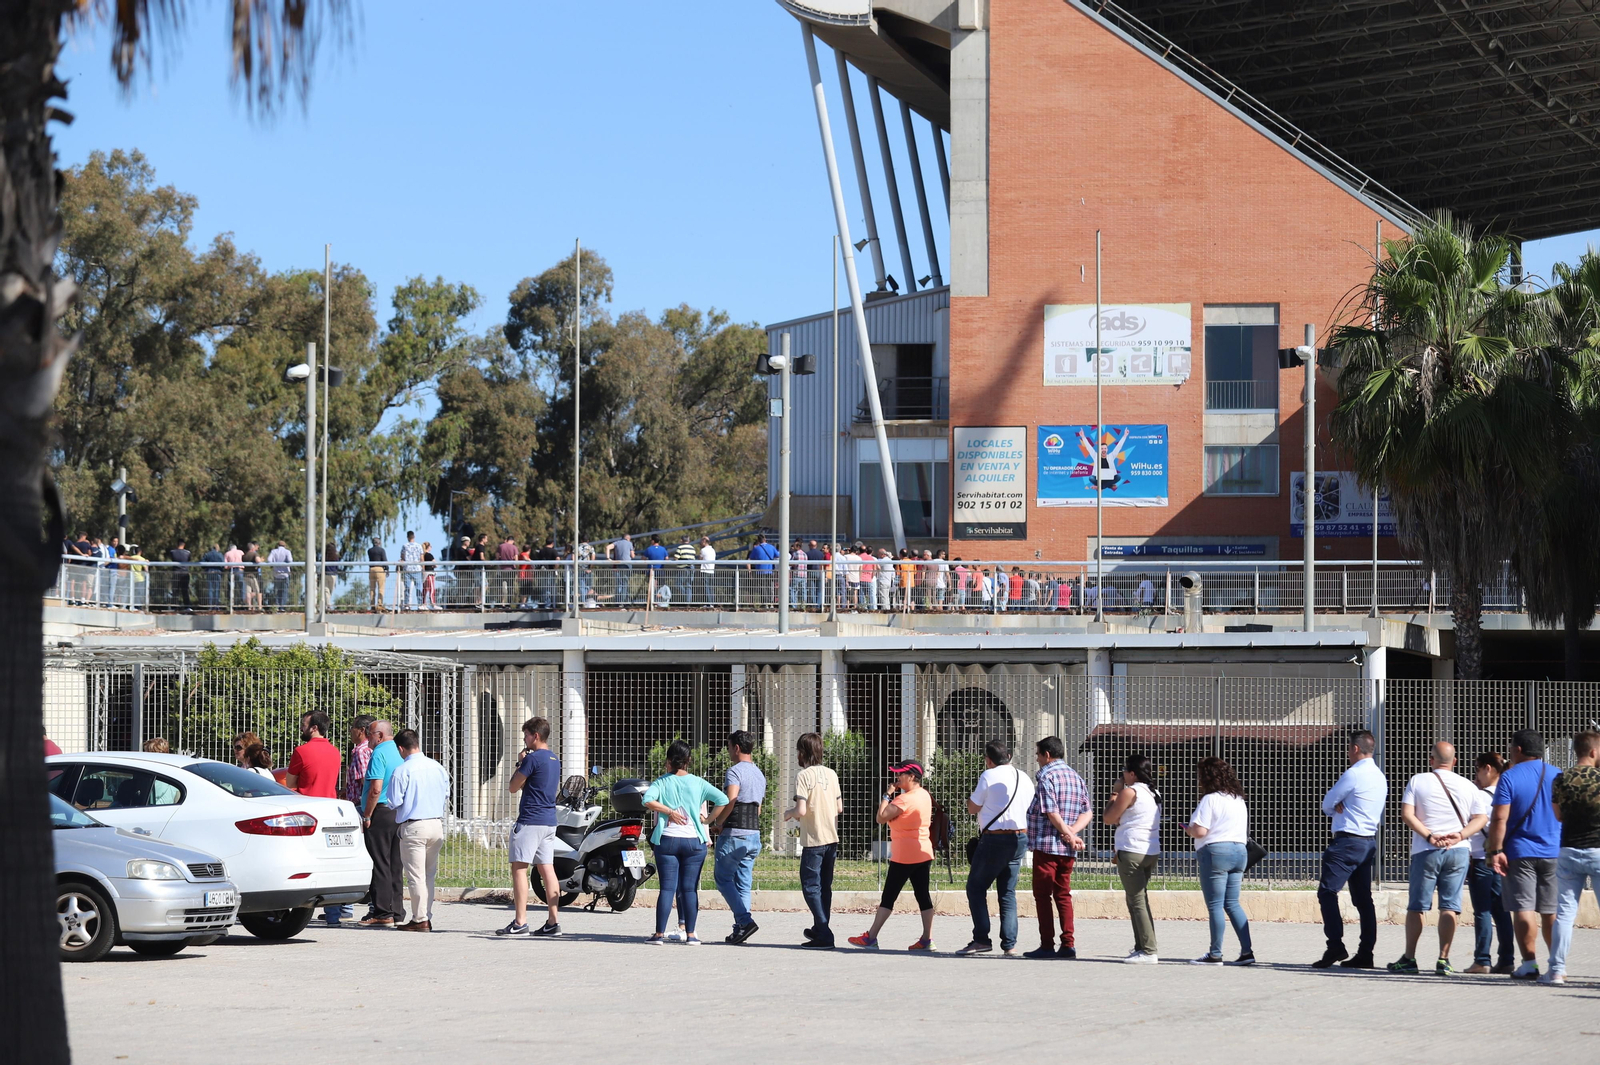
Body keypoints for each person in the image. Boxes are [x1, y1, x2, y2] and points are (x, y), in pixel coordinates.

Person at [1387, 741, 1484, 975]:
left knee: (1417, 907)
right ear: (1455, 761)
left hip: (1426, 851)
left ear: (1431, 760)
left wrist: (1429, 836)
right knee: (1450, 906)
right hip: (1458, 851)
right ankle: (1444, 959)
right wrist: (1460, 835)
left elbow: (1407, 815)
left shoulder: (1418, 780)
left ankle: (1409, 958)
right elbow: (1481, 818)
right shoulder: (1468, 785)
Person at [1487, 728, 1562, 980]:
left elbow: (1500, 817)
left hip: (1519, 852)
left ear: (1518, 749)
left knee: (1523, 907)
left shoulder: (1509, 777)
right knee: (1551, 910)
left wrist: (1496, 850)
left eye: (1511, 747)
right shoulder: (1558, 774)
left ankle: (1529, 963)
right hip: (1554, 850)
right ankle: (1556, 966)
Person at [642, 738, 730, 945]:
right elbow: (723, 800)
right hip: (694, 841)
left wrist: (669, 811)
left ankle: (659, 934)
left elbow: (647, 800)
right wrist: (708, 820)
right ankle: (691, 935)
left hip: (668, 839)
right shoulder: (698, 782)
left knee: (667, 889)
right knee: (689, 889)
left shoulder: (661, 782)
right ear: (688, 760)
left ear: (668, 760)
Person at [1312, 728, 1387, 969]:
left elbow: (1326, 804)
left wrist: (1337, 805)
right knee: (1364, 900)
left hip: (1347, 842)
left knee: (1327, 892)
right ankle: (1366, 953)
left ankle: (1335, 945)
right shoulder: (1379, 776)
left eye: (1348, 748)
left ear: (1355, 748)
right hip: (1368, 842)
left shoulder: (1353, 774)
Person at [849, 760, 936, 951]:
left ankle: (871, 938)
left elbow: (880, 817)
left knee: (889, 896)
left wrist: (887, 795)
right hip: (923, 851)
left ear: (911, 776)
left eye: (900, 774)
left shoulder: (904, 799)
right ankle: (927, 940)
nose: (897, 777)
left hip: (905, 855)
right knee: (923, 895)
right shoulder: (924, 794)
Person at [959, 739, 1035, 956]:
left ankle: (981, 939)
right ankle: (1009, 944)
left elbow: (973, 808)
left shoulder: (988, 776)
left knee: (975, 887)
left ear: (988, 760)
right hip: (1020, 837)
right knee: (1007, 892)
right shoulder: (1024, 776)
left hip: (995, 839)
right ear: (1008, 756)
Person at [1024, 736, 1091, 959]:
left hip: (1047, 844)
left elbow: (1051, 811)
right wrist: (1072, 833)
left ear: (1047, 755)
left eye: (1038, 754)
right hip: (1067, 849)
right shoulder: (1075, 776)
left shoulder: (1047, 776)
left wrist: (1067, 833)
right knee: (1063, 894)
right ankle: (1068, 944)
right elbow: (1087, 812)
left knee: (1043, 895)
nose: (1037, 759)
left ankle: (1046, 945)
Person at [498, 717, 564, 938]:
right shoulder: (554, 759)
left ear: (535, 735)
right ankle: (553, 922)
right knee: (547, 869)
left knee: (519, 868)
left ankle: (520, 922)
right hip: (549, 821)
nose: (524, 739)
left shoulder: (532, 759)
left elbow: (513, 787)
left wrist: (520, 763)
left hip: (530, 820)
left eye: (526, 735)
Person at [1185, 756, 1253, 965]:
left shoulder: (1210, 799)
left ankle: (1215, 954)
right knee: (1232, 903)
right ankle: (1247, 952)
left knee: (1215, 904)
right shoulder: (1238, 800)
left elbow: (1200, 831)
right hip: (1239, 851)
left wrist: (1188, 829)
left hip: (1215, 852)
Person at [1547, 730, 1600, 985]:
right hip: (1598, 850)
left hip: (1568, 849)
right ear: (1593, 751)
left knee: (1565, 913)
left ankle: (1556, 971)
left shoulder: (1561, 779)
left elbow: (1558, 816)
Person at [388, 728, 450, 932]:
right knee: (429, 874)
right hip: (436, 824)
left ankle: (420, 918)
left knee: (415, 876)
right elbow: (446, 795)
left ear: (400, 748)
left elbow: (394, 801)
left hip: (414, 826)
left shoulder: (402, 770)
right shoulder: (438, 767)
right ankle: (426, 915)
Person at [784, 731, 842, 948]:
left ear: (803, 752)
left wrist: (788, 813)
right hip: (831, 838)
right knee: (825, 887)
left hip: (814, 839)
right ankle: (819, 929)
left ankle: (824, 933)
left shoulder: (803, 776)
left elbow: (800, 810)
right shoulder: (832, 774)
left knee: (810, 886)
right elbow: (839, 807)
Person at [1105, 752, 1162, 963]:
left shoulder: (1130, 792)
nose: (1122, 775)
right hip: (1150, 850)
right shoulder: (1153, 792)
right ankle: (1141, 947)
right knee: (1137, 899)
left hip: (1132, 850)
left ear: (1132, 773)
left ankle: (1148, 950)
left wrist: (1114, 792)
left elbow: (1108, 818)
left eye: (1124, 771)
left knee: (1137, 901)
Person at [710, 730, 766, 944]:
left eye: (728, 747)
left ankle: (744, 921)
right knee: (743, 883)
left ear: (736, 748)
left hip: (735, 834)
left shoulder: (734, 771)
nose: (728, 751)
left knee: (723, 879)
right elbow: (758, 809)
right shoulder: (759, 774)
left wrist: (719, 822)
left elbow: (731, 799)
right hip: (753, 834)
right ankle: (740, 928)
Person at [1465, 751, 1515, 974]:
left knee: (1482, 911)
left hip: (1480, 857)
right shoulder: (1508, 795)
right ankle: (1507, 959)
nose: (1475, 775)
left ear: (1488, 769)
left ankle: (1482, 959)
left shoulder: (1479, 796)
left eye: (1477, 769)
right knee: (1502, 910)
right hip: (1503, 857)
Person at [325, 714, 375, 927]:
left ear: (361, 730)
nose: (350, 732)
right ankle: (348, 908)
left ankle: (357, 907)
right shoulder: (367, 750)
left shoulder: (362, 752)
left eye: (352, 727)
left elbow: (365, 782)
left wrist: (364, 809)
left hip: (360, 808)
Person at [359, 720, 406, 927]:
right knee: (395, 864)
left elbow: (376, 788)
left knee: (379, 863)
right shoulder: (400, 752)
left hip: (380, 812)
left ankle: (382, 912)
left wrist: (367, 815)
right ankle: (397, 911)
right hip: (398, 812)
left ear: (379, 735)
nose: (367, 738)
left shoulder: (378, 753)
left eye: (369, 734)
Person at [285, 711, 341, 797]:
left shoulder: (301, 751)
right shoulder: (335, 752)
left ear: (314, 728)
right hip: (330, 802)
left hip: (307, 802)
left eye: (304, 725)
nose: (301, 728)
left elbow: (290, 783)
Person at [746, 534, 779, 607]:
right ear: (765, 539)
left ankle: (764, 603)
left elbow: (750, 559)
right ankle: (770, 603)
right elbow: (778, 555)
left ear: (758, 541)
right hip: (770, 571)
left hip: (760, 571)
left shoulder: (756, 549)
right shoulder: (771, 547)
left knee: (762, 587)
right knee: (769, 586)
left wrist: (750, 571)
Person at [399, 531, 423, 610]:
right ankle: (420, 604)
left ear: (407, 537)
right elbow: (421, 558)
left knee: (407, 588)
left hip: (407, 569)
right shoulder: (419, 546)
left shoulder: (404, 546)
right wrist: (422, 567)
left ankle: (407, 604)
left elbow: (402, 556)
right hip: (417, 569)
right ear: (414, 536)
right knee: (419, 588)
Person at [267, 540, 293, 609]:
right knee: (284, 591)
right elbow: (290, 560)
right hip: (285, 574)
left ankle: (277, 606)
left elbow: (269, 560)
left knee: (277, 591)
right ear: (285, 546)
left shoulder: (273, 551)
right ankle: (282, 607)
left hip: (276, 574)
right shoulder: (287, 552)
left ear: (277, 545)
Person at [168, 540, 192, 609]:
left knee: (175, 591)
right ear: (184, 545)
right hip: (185, 573)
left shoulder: (173, 552)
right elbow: (189, 560)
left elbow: (172, 558)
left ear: (177, 544)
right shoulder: (187, 553)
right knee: (185, 590)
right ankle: (187, 606)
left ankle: (174, 607)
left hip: (176, 573)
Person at [367, 538, 388, 611]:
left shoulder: (369, 550)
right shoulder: (381, 550)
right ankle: (379, 604)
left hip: (372, 569)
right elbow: (384, 560)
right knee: (381, 587)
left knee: (372, 588)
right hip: (379, 569)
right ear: (379, 543)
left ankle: (372, 605)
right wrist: (387, 569)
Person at [199, 544, 223, 608]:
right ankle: (216, 606)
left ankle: (210, 606)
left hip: (209, 572)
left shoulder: (208, 554)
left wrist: (206, 568)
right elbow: (223, 564)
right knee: (217, 589)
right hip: (217, 573)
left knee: (210, 589)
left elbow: (202, 563)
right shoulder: (220, 555)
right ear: (217, 548)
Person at [240, 542, 262, 610]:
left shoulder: (244, 556)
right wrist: (261, 560)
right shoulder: (254, 554)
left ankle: (249, 606)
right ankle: (259, 606)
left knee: (248, 591)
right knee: (257, 591)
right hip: (253, 575)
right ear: (252, 548)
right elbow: (258, 561)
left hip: (245, 575)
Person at [420, 542, 438, 610]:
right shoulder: (429, 555)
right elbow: (436, 564)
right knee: (432, 589)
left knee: (425, 589)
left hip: (424, 574)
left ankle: (423, 604)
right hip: (430, 573)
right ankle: (433, 604)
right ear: (428, 547)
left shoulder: (422, 555)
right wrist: (433, 566)